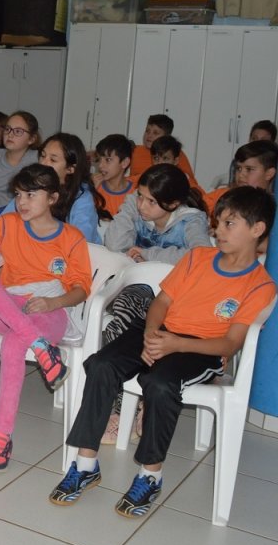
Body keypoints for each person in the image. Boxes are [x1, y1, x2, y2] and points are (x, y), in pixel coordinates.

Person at [51, 187, 275, 517]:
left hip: (201, 349)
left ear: (257, 229)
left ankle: (150, 475)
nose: (218, 231)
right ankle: (85, 465)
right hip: (159, 331)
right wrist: (152, 335)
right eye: (218, 222)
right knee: (101, 364)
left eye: (230, 224)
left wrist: (176, 345)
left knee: (160, 384)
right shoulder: (198, 258)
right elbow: (162, 301)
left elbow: (230, 344)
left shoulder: (260, 285)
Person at [0, 164, 92, 471]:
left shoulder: (71, 237)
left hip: (49, 309)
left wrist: (53, 302)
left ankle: (1, 437)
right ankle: (42, 348)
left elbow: (81, 289)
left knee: (13, 345)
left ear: (53, 198)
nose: (22, 202)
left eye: (31, 195)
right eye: (18, 195)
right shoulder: (7, 224)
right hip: (6, 306)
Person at [99, 164, 212, 444]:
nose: (142, 205)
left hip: (173, 301)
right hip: (138, 291)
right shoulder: (135, 208)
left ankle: (138, 402)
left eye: (151, 201)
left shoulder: (190, 220)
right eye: (140, 196)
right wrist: (129, 206)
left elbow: (201, 255)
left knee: (132, 325)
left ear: (172, 203)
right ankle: (121, 405)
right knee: (118, 321)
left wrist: (150, 254)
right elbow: (114, 243)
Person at [1, 132, 105, 243]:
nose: (43, 163)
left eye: (53, 160)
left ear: (70, 169)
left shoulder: (82, 198)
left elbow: (81, 242)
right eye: (43, 156)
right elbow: (2, 225)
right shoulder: (31, 187)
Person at [203, 140, 277, 217]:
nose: (241, 174)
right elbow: (198, 208)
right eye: (238, 168)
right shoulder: (223, 195)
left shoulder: (271, 208)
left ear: (269, 174)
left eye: (249, 169)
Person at [129, 114, 195, 179]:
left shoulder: (174, 152)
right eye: (147, 131)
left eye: (155, 133)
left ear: (166, 137)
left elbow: (190, 182)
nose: (149, 135)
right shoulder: (135, 149)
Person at [94, 134, 135, 218]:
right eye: (99, 159)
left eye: (108, 160)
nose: (100, 165)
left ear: (125, 162)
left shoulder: (135, 194)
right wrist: (90, 192)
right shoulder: (94, 188)